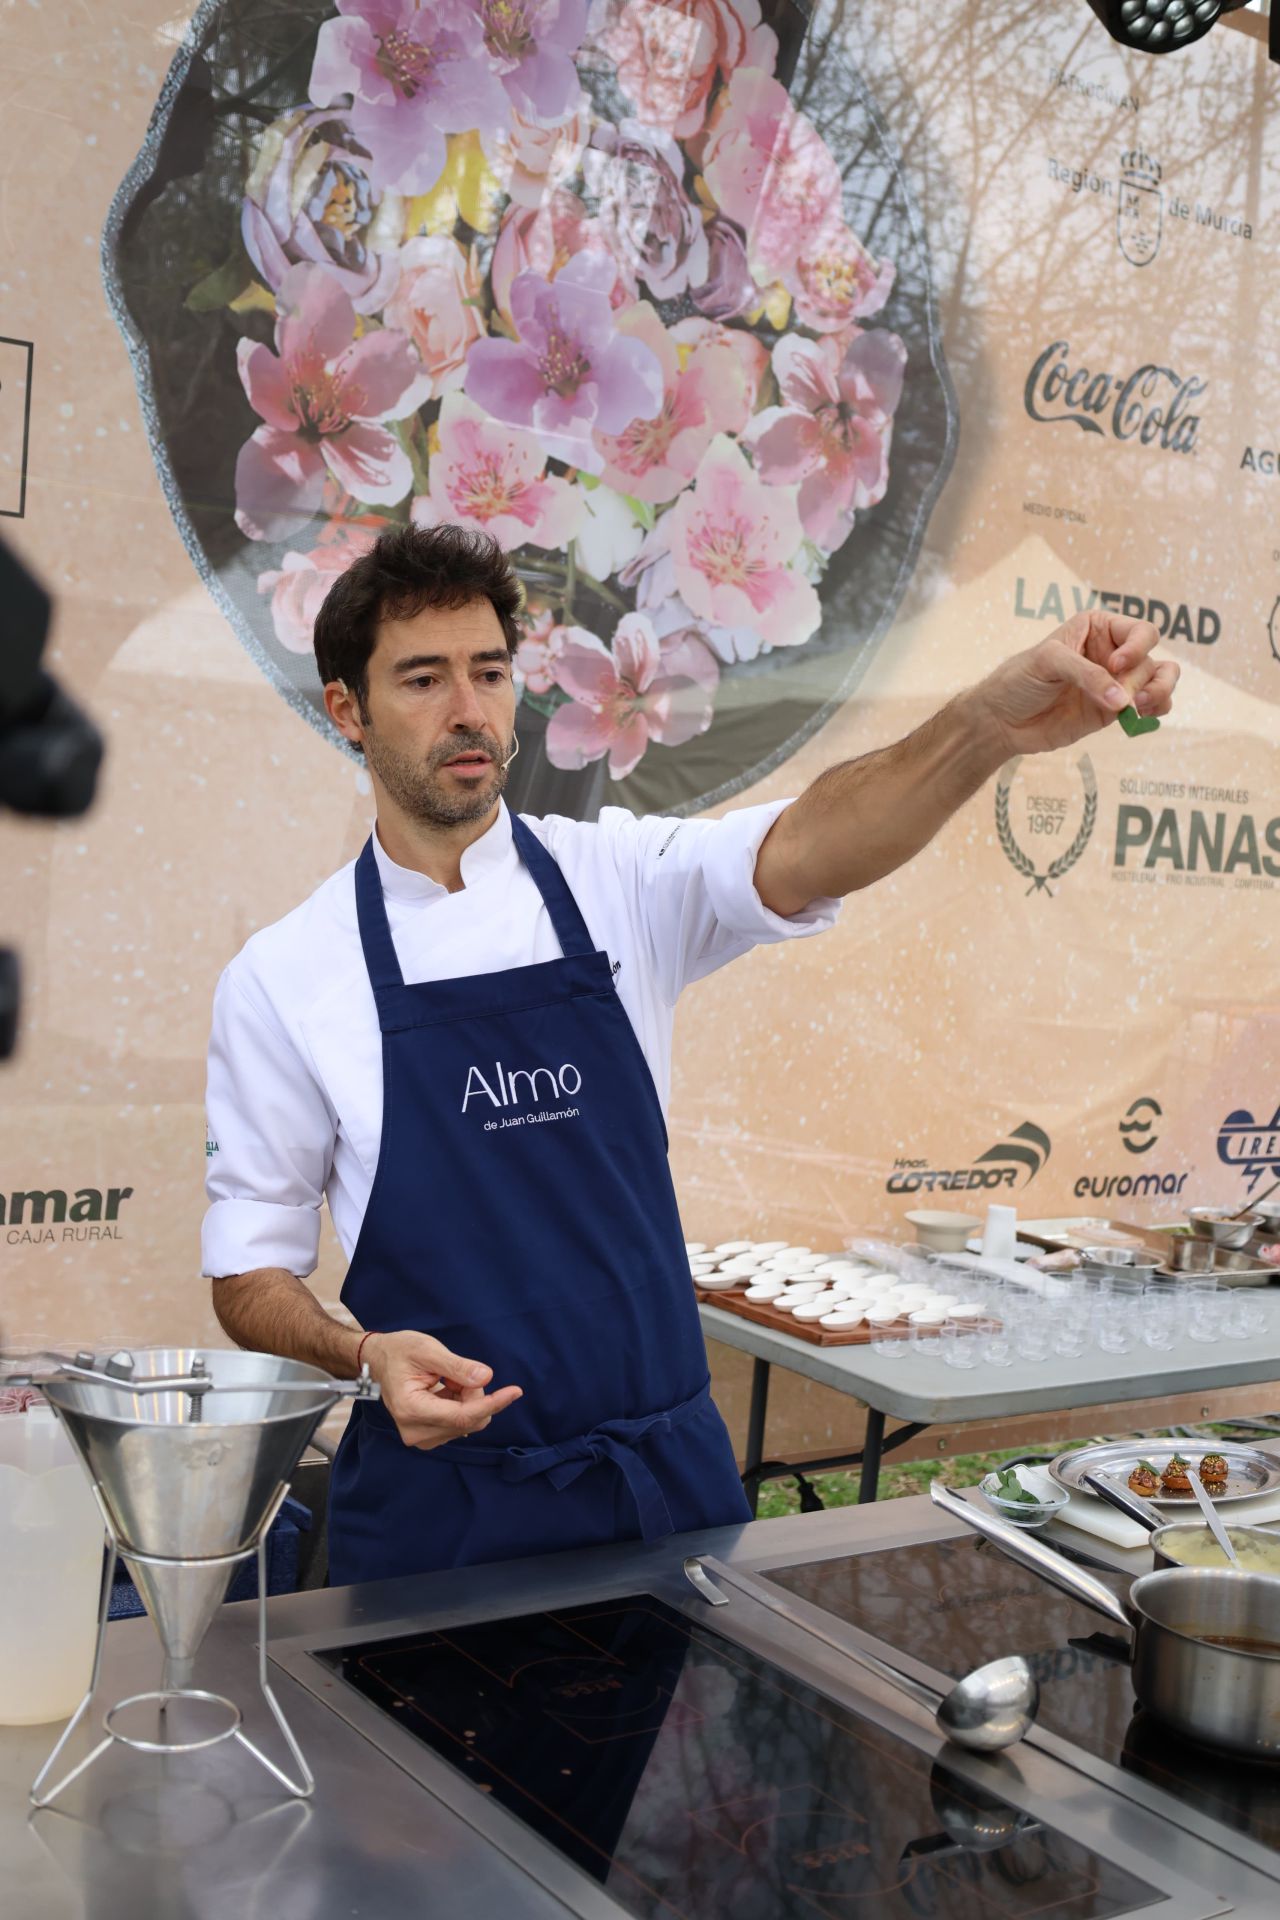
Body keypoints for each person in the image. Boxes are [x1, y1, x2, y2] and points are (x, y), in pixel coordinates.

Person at [204, 525, 1179, 1585]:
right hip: (446, 1514)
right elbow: (247, 1270)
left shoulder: (616, 877)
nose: (467, 710)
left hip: (664, 1492)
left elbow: (810, 843)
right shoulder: (285, 975)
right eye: (422, 679)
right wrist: (360, 1354)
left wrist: (984, 726)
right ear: (347, 709)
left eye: (488, 673)